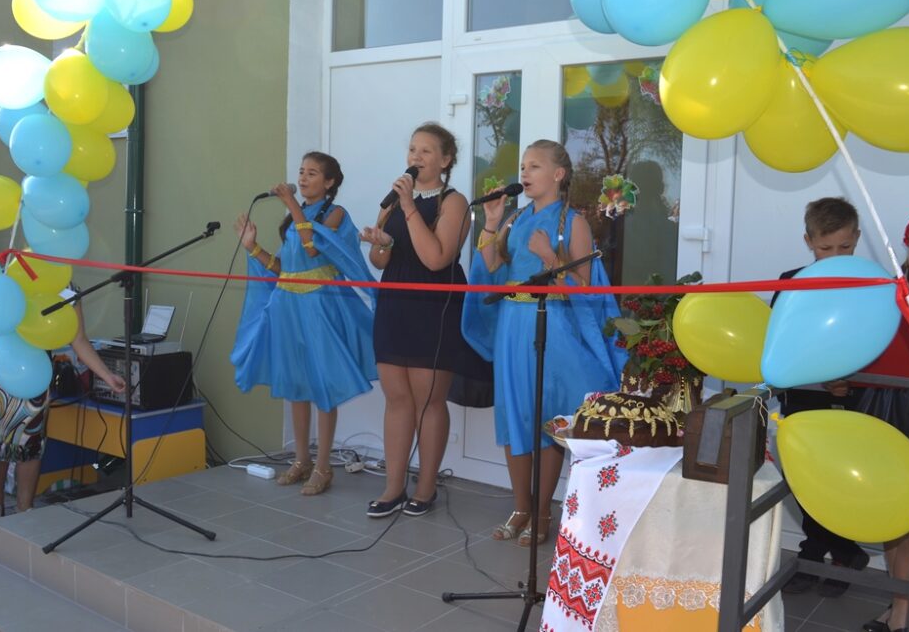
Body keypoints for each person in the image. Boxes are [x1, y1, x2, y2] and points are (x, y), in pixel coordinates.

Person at [462, 139, 626, 545]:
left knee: (546, 415)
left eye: (534, 166)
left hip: (552, 325)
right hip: (512, 325)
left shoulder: (573, 222)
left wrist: (551, 258)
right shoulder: (514, 219)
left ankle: (541, 512)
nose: (524, 172)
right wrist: (491, 222)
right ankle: (520, 507)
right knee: (515, 413)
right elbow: (491, 265)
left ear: (558, 174)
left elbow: (584, 288)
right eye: (523, 166)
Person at [231, 152, 377, 495]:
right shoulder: (293, 216)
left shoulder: (336, 214)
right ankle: (301, 460)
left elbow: (312, 248)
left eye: (312, 173)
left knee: (323, 385)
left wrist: (292, 204)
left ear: (329, 182)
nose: (303, 178)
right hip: (288, 305)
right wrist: (253, 248)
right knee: (296, 386)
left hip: (319, 306)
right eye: (301, 171)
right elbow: (284, 268)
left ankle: (323, 467)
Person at [360, 122, 486, 518]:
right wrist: (381, 245)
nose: (416, 157)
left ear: (445, 160)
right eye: (413, 149)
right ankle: (393, 487)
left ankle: (426, 487)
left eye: (426, 151)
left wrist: (411, 207)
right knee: (397, 398)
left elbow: (435, 258)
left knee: (429, 400)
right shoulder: (393, 201)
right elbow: (379, 261)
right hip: (395, 302)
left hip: (434, 306)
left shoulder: (454, 202)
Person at [774, 197, 869, 596]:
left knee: (838, 481)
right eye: (825, 247)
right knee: (804, 479)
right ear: (808, 241)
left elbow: (875, 342)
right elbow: (781, 343)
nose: (835, 256)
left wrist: (854, 380)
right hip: (802, 397)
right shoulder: (790, 282)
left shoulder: (872, 284)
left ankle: (827, 555)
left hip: (851, 403)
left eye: (844, 246)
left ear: (857, 238)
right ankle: (835, 552)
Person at [0, 295, 126, 518]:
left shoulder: (68, 290)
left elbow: (78, 339)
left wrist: (106, 375)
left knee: (31, 438)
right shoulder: (9, 274)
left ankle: (25, 508)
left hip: (34, 367)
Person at [860, 213, 909, 632]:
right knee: (891, 509)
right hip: (884, 405)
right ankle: (898, 600)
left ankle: (903, 610)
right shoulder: (892, 298)